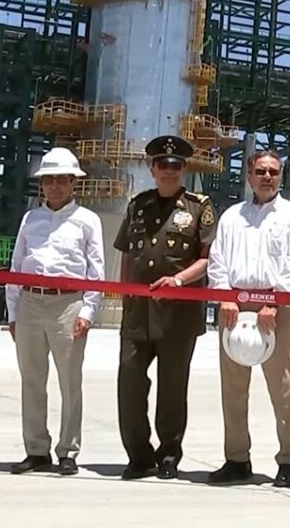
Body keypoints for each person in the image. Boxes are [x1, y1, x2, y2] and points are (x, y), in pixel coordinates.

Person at [205, 150, 290, 487]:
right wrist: (223, 295)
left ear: (281, 177)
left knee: (284, 388)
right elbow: (217, 257)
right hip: (234, 309)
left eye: (274, 172)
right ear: (249, 175)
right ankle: (237, 458)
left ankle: (288, 461)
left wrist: (275, 301)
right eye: (261, 171)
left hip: (274, 310)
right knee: (233, 389)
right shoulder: (232, 216)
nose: (268, 177)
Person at [114, 135, 217, 480]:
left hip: (178, 315)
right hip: (137, 312)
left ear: (184, 169)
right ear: (152, 168)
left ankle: (169, 453)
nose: (168, 170)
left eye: (175, 165)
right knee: (129, 381)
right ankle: (139, 455)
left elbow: (207, 259)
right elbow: (127, 253)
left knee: (172, 387)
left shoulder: (199, 207)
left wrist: (179, 281)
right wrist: (126, 294)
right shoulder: (137, 205)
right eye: (162, 164)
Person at [6, 147, 104, 476]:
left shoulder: (88, 221)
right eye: (49, 180)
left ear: (74, 182)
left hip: (68, 303)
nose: (55, 185)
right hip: (31, 302)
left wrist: (88, 311)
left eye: (62, 179)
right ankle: (36, 449)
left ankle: (68, 450)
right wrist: (13, 313)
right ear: (42, 185)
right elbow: (16, 266)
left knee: (69, 381)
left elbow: (96, 271)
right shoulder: (31, 219)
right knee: (32, 380)